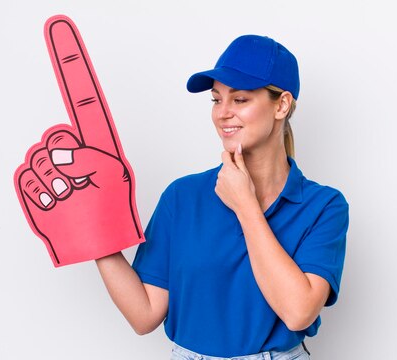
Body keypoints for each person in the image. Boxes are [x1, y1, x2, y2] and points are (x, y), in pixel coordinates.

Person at [95, 34, 349, 359]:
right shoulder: (181, 197)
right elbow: (145, 315)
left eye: (240, 100)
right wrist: (93, 234)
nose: (222, 113)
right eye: (216, 100)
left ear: (281, 105)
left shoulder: (323, 206)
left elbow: (299, 312)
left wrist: (245, 204)